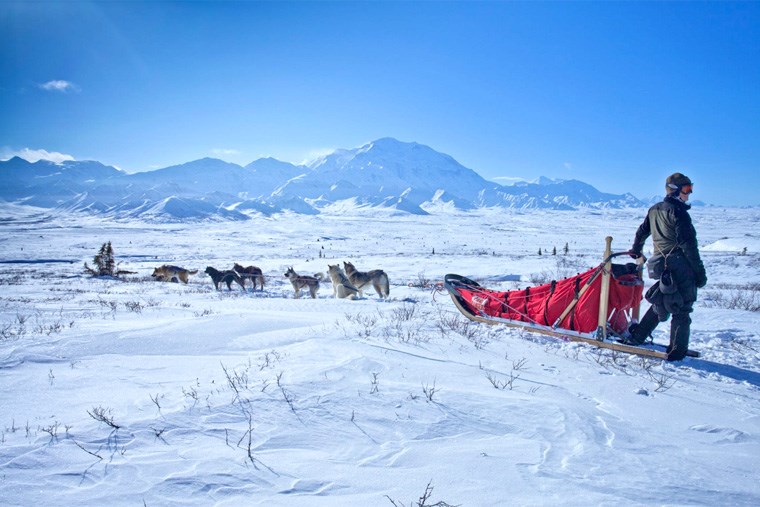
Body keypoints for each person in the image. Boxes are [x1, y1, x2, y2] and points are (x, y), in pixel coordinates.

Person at [626, 172, 707, 361]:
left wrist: (636, 249)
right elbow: (690, 247)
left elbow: (642, 231)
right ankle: (677, 352)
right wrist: (699, 273)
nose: (689, 195)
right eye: (687, 190)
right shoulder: (679, 213)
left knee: (661, 301)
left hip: (661, 265)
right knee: (683, 307)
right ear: (676, 191)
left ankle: (638, 337)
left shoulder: (655, 209)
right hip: (680, 266)